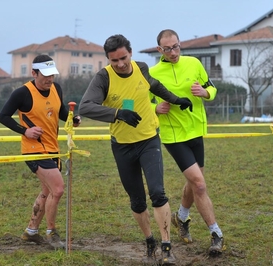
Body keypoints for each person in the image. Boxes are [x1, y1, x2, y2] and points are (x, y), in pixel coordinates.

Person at [78, 34, 192, 265]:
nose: (120, 64)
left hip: (149, 139)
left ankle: (166, 246)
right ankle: (150, 240)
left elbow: (155, 85)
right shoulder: (103, 78)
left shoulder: (141, 67)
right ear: (108, 60)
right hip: (122, 146)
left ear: (130, 52)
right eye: (114, 60)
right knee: (137, 201)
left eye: (123, 58)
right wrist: (118, 114)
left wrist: (176, 99)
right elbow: (86, 107)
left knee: (158, 193)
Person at [149, 29, 224, 256]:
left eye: (177, 46)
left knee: (195, 182)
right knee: (199, 184)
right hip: (174, 137)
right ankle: (216, 234)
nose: (174, 52)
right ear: (159, 50)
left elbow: (212, 87)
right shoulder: (152, 73)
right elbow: (134, 104)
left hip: (196, 131)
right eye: (168, 48)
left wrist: (205, 92)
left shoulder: (194, 63)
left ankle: (181, 218)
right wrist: (155, 108)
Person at [0, 54, 81, 249]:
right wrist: (25, 131)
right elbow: (3, 116)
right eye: (45, 75)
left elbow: (60, 112)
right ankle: (52, 233)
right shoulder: (22, 93)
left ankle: (31, 231)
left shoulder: (56, 88)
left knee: (47, 191)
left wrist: (72, 118)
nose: (49, 79)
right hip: (34, 149)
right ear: (34, 73)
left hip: (53, 148)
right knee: (58, 189)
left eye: (52, 75)